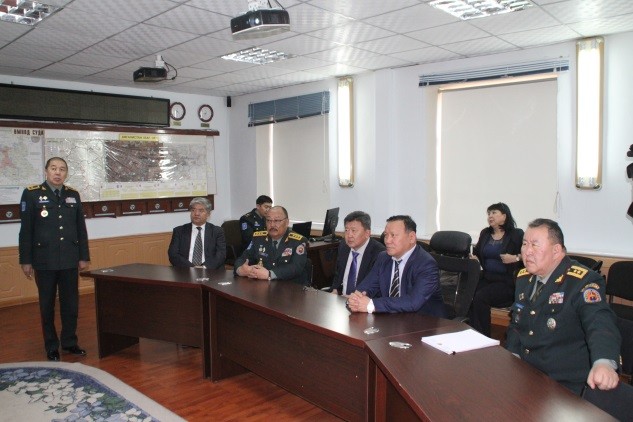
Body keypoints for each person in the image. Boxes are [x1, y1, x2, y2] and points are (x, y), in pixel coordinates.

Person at [506, 218, 621, 395]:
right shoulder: (524, 278)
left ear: (556, 250)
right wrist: (512, 356)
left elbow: (599, 321)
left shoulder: (582, 281)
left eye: (535, 245)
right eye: (525, 244)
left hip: (563, 383)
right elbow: (516, 324)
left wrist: (603, 362)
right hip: (527, 373)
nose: (527, 251)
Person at [19, 157, 90, 361]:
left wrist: (83, 256)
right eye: (54, 168)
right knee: (47, 305)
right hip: (44, 260)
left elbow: (80, 228)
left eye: (62, 169)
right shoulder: (32, 194)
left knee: (71, 304)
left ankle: (69, 342)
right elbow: (26, 230)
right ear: (46, 171)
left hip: (69, 259)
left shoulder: (73, 195)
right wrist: (26, 260)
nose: (58, 173)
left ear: (66, 173)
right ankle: (51, 346)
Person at [347, 215, 446, 316]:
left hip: (424, 320)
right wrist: (356, 299)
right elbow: (366, 287)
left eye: (393, 235)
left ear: (411, 237)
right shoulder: (383, 258)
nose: (387, 241)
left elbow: (413, 302)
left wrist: (371, 304)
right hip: (391, 318)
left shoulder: (426, 264)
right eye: (386, 235)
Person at [469, 202, 524, 336]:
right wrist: (474, 258)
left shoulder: (516, 234)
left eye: (494, 213)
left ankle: (482, 337)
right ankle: (470, 333)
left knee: (480, 297)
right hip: (487, 278)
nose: (490, 216)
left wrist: (515, 258)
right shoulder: (485, 233)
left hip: (507, 282)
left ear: (504, 216)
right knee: (468, 294)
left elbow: (529, 255)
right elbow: (478, 252)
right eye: (489, 213)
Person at [234, 205, 308, 284]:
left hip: (290, 286)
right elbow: (242, 258)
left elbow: (296, 267)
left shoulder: (298, 241)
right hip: (264, 286)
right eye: (268, 220)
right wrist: (241, 270)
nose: (272, 225)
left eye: (277, 220)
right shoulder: (258, 238)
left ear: (287, 222)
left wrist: (270, 274)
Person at [329, 211, 385, 295]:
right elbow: (338, 275)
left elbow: (375, 287)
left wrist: (354, 298)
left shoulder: (379, 253)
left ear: (367, 233)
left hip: (362, 300)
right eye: (346, 230)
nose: (349, 235)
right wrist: (335, 290)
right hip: (341, 298)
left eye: (353, 230)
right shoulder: (344, 246)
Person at [168, 197, 226, 269]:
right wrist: (193, 268)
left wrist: (204, 267)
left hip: (210, 270)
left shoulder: (217, 231)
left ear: (208, 214)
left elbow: (221, 255)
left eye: (201, 211)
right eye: (193, 210)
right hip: (185, 270)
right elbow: (173, 255)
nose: (196, 213)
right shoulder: (179, 231)